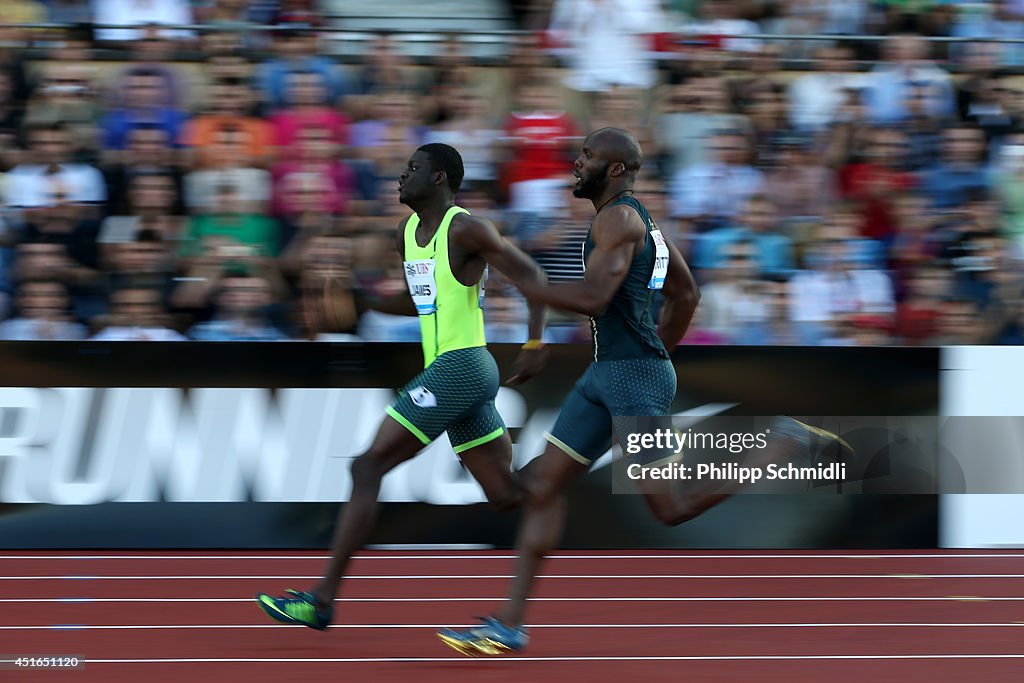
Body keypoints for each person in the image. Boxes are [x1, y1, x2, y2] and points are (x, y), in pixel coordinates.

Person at [436, 128, 846, 655]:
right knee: (541, 490)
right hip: (608, 376)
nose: (576, 163)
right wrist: (657, 353)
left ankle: (784, 442)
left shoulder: (621, 218)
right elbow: (687, 293)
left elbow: (594, 296)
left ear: (615, 170)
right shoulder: (641, 222)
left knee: (669, 508)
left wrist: (524, 280)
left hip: (630, 379)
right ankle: (508, 625)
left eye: (587, 156)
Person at [255, 143, 548, 629]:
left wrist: (536, 343)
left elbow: (532, 274)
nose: (400, 175)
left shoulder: (467, 227)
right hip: (454, 374)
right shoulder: (408, 232)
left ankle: (322, 600)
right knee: (507, 496)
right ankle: (558, 478)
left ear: (439, 179)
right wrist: (366, 302)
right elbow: (420, 301)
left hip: (463, 367)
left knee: (368, 466)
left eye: (413, 168)